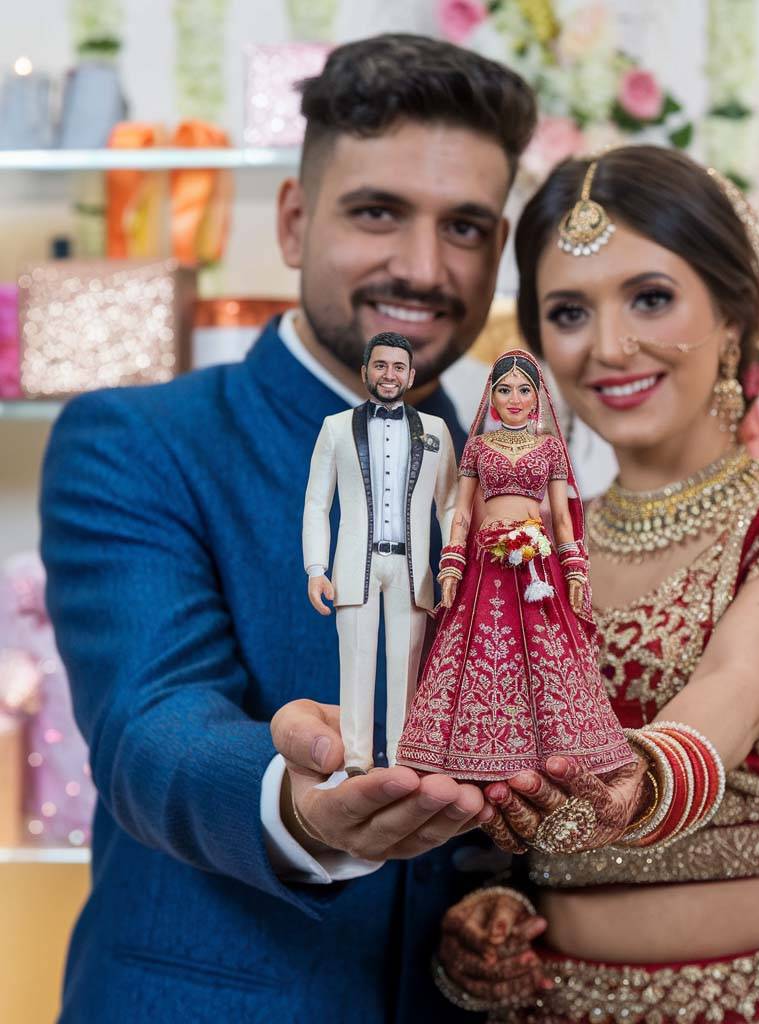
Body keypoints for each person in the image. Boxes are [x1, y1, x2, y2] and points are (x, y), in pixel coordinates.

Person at [275, 147, 759, 1022]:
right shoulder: (532, 547)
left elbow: (735, 688)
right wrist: (496, 900)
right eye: (568, 312)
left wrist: (647, 775)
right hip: (559, 1005)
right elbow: (500, 781)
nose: (609, 345)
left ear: (734, 315)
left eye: (651, 298)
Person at [39, 34, 536, 1023]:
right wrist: (297, 806)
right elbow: (154, 730)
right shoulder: (137, 440)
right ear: (296, 222)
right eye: (378, 212)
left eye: (466, 227)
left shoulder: (511, 471)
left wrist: (508, 887)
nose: (423, 266)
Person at [395, 350, 634, 782]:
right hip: (486, 563)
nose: (515, 399)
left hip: (536, 567)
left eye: (525, 390)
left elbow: (561, 517)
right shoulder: (478, 448)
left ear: (538, 396)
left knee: (545, 653)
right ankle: (469, 748)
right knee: (479, 651)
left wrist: (575, 569)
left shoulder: (550, 448)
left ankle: (551, 747)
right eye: (505, 390)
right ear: (492, 396)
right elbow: (462, 513)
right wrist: (452, 562)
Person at [303, 331, 459, 775]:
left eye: (397, 367)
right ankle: (356, 757)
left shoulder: (435, 431)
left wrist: (452, 563)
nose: (388, 375)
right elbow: (317, 503)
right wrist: (316, 567)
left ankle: (403, 753)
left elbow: (448, 504)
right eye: (380, 365)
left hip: (413, 567)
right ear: (365, 371)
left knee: (407, 661)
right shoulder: (335, 427)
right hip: (357, 563)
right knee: (355, 659)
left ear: (410, 375)